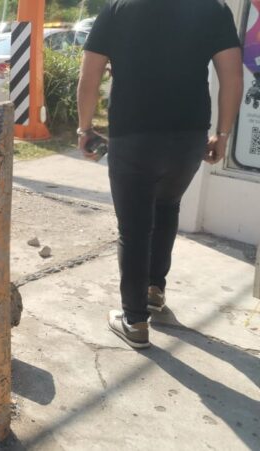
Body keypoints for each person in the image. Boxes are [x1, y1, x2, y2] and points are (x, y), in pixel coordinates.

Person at [76, 0, 243, 349]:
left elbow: (90, 74)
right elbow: (232, 74)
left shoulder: (118, 9)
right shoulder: (213, 9)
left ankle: (135, 320)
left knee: (134, 228)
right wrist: (222, 134)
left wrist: (84, 128)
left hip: (133, 135)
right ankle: (154, 291)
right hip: (188, 136)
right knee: (167, 206)